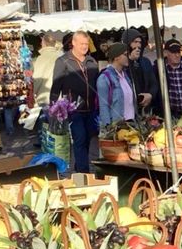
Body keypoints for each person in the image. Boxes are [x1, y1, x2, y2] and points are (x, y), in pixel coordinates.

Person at [50, 31, 99, 173]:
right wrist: (53, 109)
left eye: (86, 44)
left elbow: (96, 84)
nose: (85, 47)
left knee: (89, 138)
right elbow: (55, 86)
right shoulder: (63, 61)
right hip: (73, 110)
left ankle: (80, 167)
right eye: (82, 44)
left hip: (91, 109)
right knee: (80, 138)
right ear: (73, 43)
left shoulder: (91, 61)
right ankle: (83, 171)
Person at [96, 42, 138, 128]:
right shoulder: (104, 78)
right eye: (126, 54)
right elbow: (103, 106)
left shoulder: (125, 75)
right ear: (117, 57)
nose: (128, 57)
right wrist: (108, 128)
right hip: (117, 126)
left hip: (131, 123)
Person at [122, 27, 158, 113]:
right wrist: (130, 60)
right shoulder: (122, 61)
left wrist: (150, 95)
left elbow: (154, 83)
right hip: (127, 110)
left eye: (140, 42)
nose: (138, 45)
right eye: (135, 42)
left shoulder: (145, 62)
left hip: (145, 109)